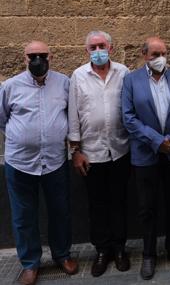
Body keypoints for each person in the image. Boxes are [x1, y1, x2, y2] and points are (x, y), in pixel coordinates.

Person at [0, 41, 78, 285]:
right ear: (24, 58)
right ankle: (30, 264)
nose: (37, 60)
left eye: (42, 55)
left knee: (60, 211)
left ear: (50, 56)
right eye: (31, 56)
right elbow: (3, 119)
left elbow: (71, 116)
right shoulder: (10, 86)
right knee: (23, 215)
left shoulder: (64, 83)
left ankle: (62, 255)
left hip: (54, 161)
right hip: (20, 163)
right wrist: (23, 137)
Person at [121, 37, 170, 280]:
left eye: (163, 53)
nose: (160, 58)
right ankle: (149, 254)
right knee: (147, 208)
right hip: (145, 155)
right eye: (155, 54)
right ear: (144, 56)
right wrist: (156, 140)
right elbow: (128, 117)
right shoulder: (131, 80)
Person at [68, 31, 131, 277]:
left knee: (119, 202)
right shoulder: (78, 76)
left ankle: (119, 249)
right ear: (87, 51)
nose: (97, 50)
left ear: (111, 48)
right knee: (97, 205)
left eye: (101, 46)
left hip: (120, 150)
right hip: (91, 154)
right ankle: (102, 251)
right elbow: (73, 115)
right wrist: (76, 151)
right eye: (93, 47)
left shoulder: (123, 73)